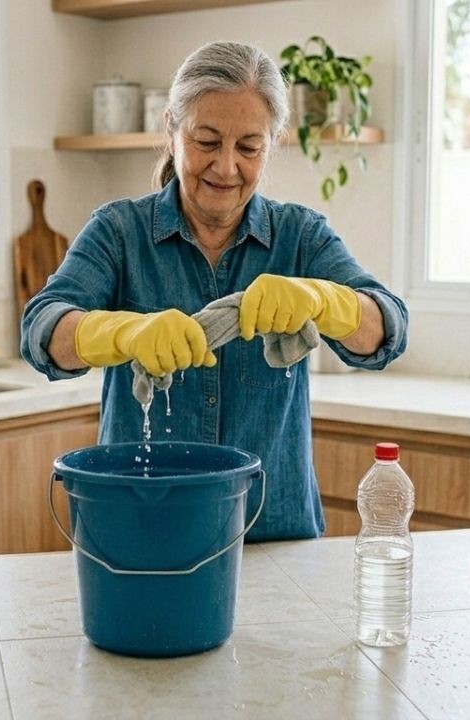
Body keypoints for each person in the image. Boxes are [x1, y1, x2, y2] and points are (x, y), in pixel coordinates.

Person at [21, 41, 407, 542]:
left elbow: (386, 330)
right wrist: (123, 332)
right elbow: (42, 330)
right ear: (171, 130)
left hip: (273, 535)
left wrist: (324, 300)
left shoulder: (302, 237)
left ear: (272, 144)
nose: (226, 167)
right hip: (142, 535)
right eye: (206, 141)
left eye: (249, 148)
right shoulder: (119, 232)